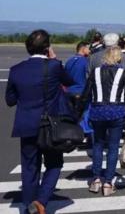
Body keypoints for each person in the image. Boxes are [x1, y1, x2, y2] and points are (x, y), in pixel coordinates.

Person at [5, 29, 74, 214]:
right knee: (54, 164)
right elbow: (69, 81)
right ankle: (41, 201)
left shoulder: (16, 70)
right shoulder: (53, 66)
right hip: (50, 125)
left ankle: (29, 207)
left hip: (26, 125)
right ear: (47, 47)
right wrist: (54, 59)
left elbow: (10, 100)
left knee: (29, 168)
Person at [80, 46, 125, 196]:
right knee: (113, 147)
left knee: (97, 145)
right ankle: (108, 183)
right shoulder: (123, 73)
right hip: (117, 112)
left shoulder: (95, 72)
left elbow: (85, 94)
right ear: (119, 58)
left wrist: (78, 112)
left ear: (105, 57)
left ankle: (96, 179)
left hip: (97, 112)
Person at [65, 42, 92, 137]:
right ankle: (84, 133)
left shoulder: (69, 60)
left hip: (69, 91)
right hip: (81, 91)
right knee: (85, 113)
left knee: (72, 114)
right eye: (88, 48)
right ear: (83, 49)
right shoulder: (86, 61)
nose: (89, 50)